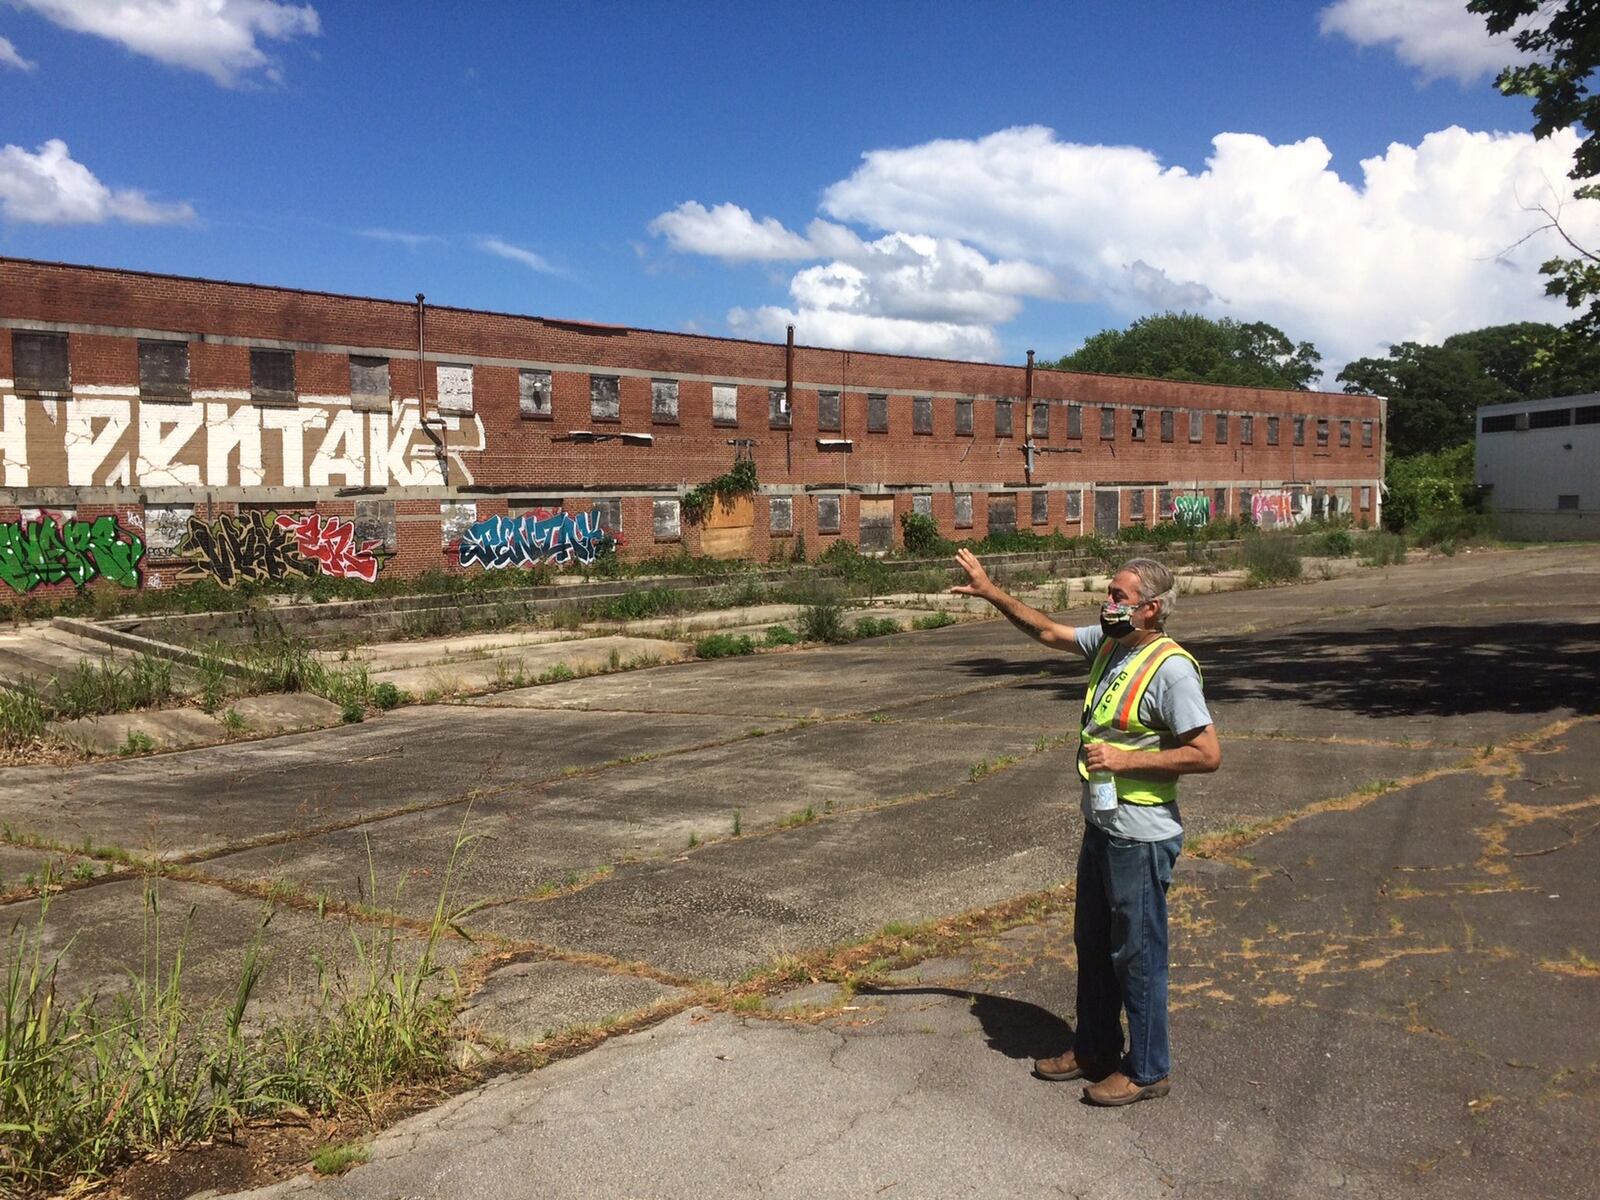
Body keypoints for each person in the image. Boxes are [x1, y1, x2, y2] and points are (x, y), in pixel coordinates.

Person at [952, 548, 1220, 1106]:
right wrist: (991, 591)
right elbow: (1048, 632)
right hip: (1101, 826)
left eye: (1118, 597)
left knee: (1138, 953)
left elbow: (1207, 753)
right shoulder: (1111, 646)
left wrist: (1125, 762)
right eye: (1109, 593)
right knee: (1094, 944)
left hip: (1141, 835)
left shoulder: (1170, 669)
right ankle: (1095, 1047)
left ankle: (1148, 1069)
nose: (1107, 603)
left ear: (1150, 609)